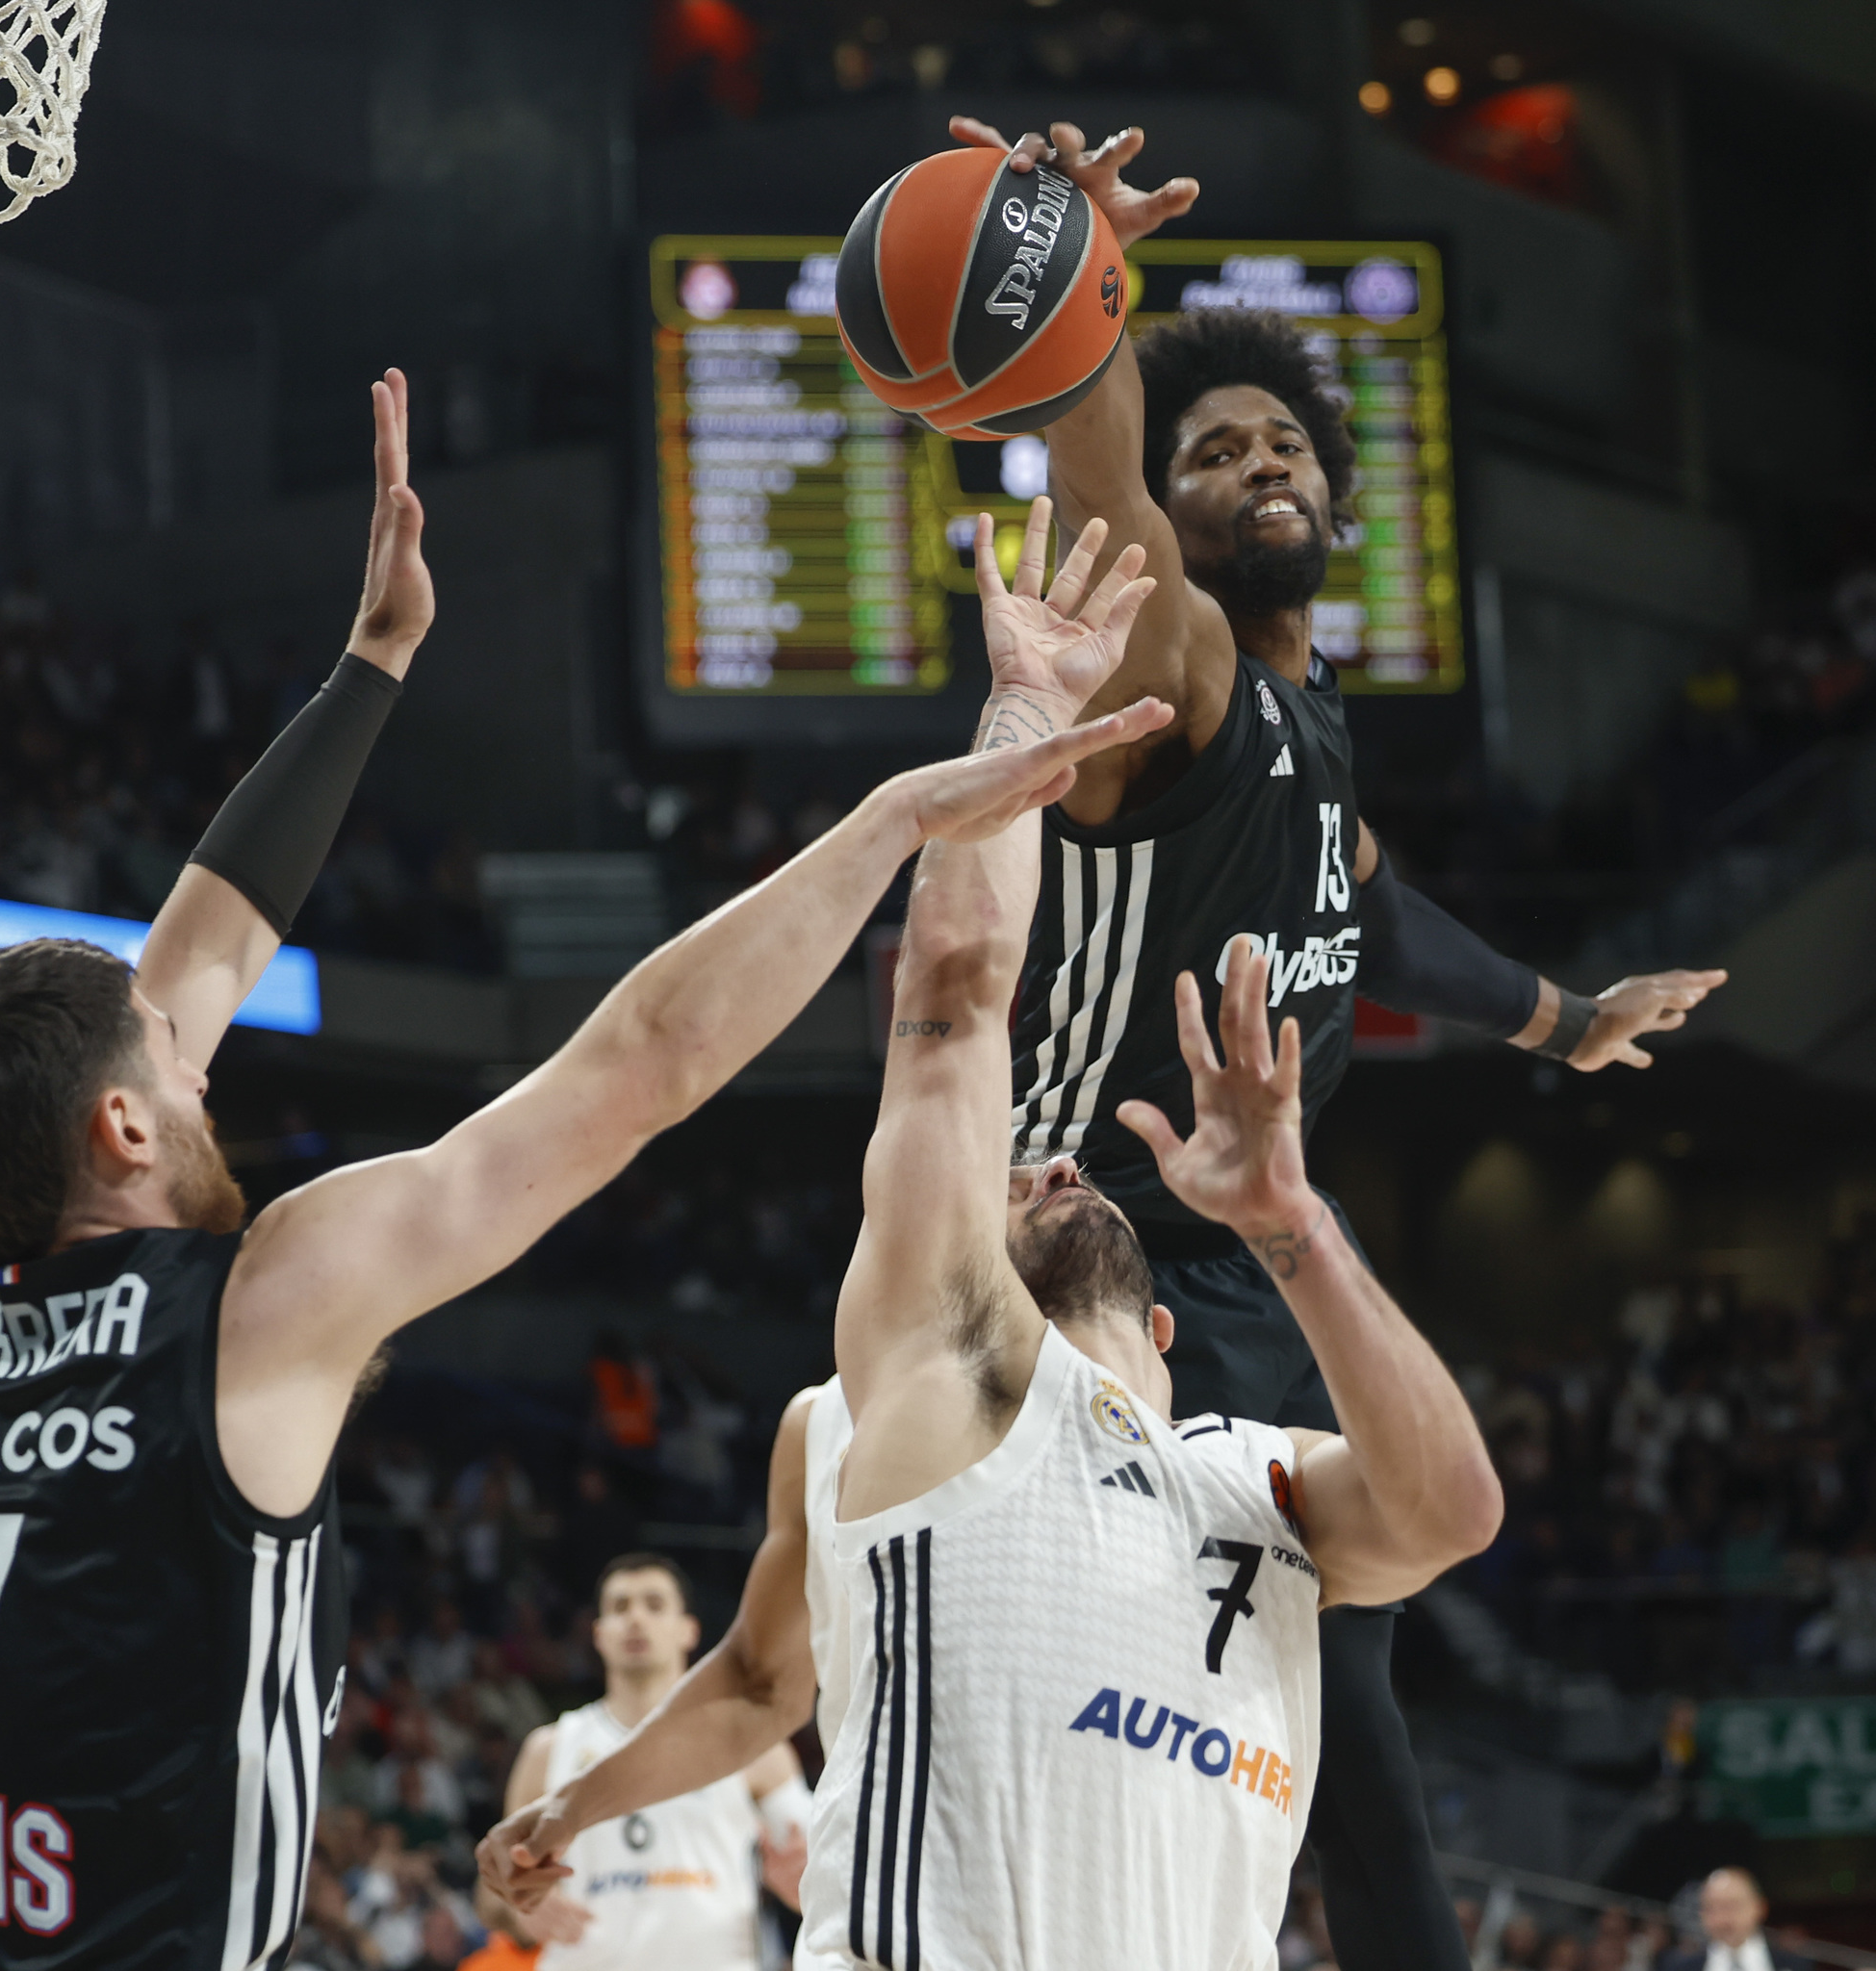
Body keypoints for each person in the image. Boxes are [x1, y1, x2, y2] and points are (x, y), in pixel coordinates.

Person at [0, 370, 1170, 1971]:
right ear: (122, 1129)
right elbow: (635, 1071)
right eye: (160, 1053)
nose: (190, 1033)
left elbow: (198, 947)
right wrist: (893, 817)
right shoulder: (257, 1303)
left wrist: (372, 662)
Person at [492, 507, 1498, 1967]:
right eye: (1022, 1174)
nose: (1048, 1168)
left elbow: (1452, 1513)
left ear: (1167, 1329)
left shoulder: (1251, 1484)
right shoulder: (944, 1373)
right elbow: (961, 995)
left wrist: (1293, 1227)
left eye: (1061, 1173)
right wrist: (1026, 713)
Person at [944, 112, 1729, 1971]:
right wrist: (1086, 312)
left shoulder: (1313, 725)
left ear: (1335, 497)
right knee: (1256, 1675)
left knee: (1331, 1671)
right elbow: (1109, 508)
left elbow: (1370, 914)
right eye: (1216, 450)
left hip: (1237, 1249)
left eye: (1283, 440)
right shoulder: (1187, 659)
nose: (1254, 461)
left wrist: (1565, 1020)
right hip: (1082, 1241)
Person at [484, 1554, 805, 1969]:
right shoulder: (549, 1748)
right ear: (598, 1635)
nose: (635, 1618)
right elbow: (490, 1891)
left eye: (654, 1605)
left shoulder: (749, 1744)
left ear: (688, 1630)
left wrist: (803, 1886)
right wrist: (519, 1905)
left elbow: (819, 1863)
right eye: (620, 1607)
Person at [1658, 1869, 1810, 1971]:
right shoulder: (1679, 1966)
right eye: (1711, 1908)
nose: (1722, 1919)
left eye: (1731, 1906)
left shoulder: (1794, 1964)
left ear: (1759, 1907)